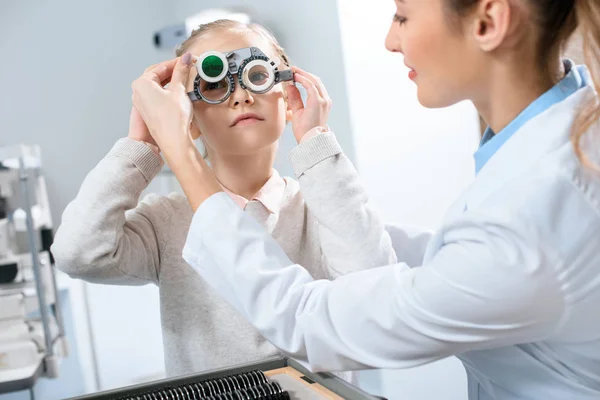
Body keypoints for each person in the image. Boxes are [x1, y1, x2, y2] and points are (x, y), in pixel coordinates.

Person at [131, 0, 600, 398]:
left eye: (402, 17)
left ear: (487, 23)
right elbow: (409, 264)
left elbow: (309, 323)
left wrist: (180, 152)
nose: (390, 41)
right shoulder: (542, 155)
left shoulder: (531, 213)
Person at [51, 20, 396, 379]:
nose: (241, 96)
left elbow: (376, 292)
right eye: (213, 84)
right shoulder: (166, 222)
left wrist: (315, 141)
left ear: (288, 95)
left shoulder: (323, 207)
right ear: (189, 119)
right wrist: (143, 144)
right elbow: (78, 253)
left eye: (256, 75)